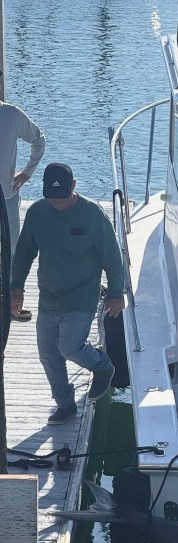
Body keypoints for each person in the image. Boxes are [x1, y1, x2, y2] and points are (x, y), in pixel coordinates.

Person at [10, 163, 124, 425]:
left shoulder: (92, 215)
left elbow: (112, 256)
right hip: (49, 296)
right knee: (48, 353)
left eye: (61, 197)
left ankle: (102, 365)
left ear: (73, 186)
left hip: (82, 296)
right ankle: (65, 405)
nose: (56, 202)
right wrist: (16, 287)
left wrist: (116, 292)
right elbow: (25, 252)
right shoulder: (38, 212)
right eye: (51, 197)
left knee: (70, 347)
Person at [0, 96, 46, 321]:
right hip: (7, 194)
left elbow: (39, 139)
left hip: (6, 195)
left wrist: (28, 171)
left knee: (12, 249)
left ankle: (11, 302)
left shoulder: (12, 115)